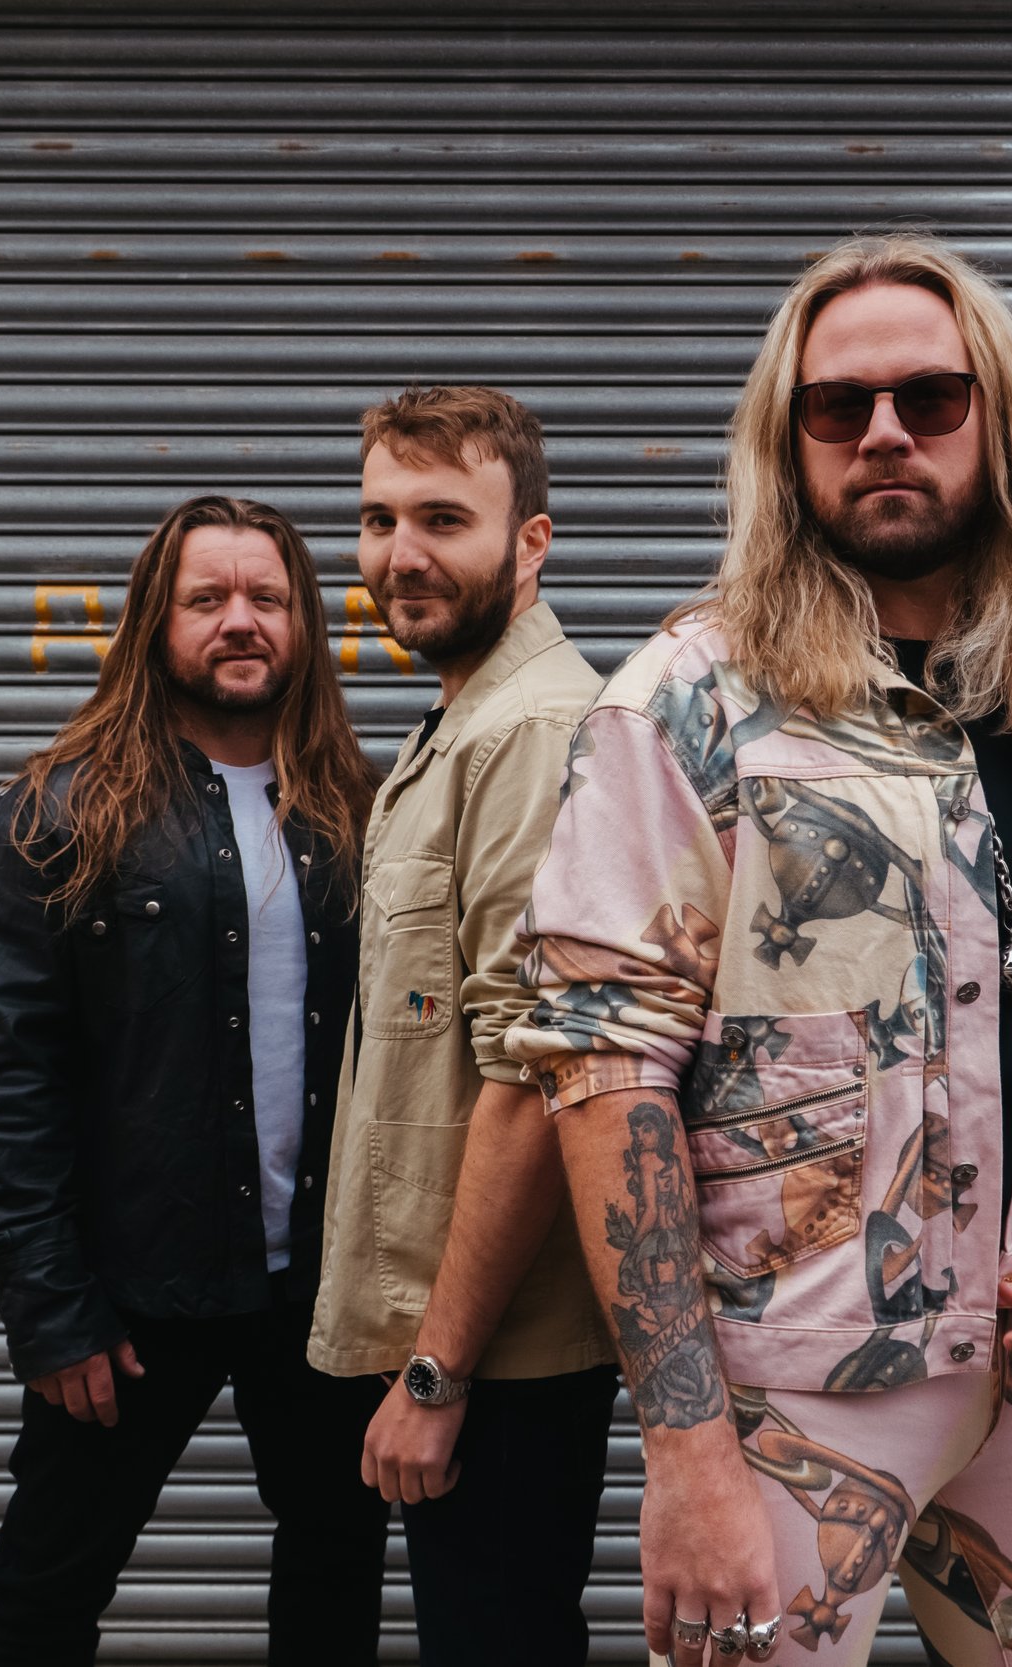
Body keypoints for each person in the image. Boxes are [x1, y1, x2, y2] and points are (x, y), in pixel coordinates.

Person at [507, 234, 1012, 1667]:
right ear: (787, 439)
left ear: (995, 418)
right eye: (835, 405)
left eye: (929, 397)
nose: (882, 433)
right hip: (793, 1399)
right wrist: (686, 1452)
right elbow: (604, 1075)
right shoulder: (687, 701)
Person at [0, 494, 388, 1664]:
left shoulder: (361, 809)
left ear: (303, 623)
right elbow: (2, 1076)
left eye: (267, 597)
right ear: (156, 619)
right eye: (208, 598)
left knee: (336, 1574)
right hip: (132, 1295)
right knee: (45, 1584)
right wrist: (50, 1309)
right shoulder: (59, 811)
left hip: (319, 1298)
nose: (241, 620)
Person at [306, 385, 620, 1666]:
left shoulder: (532, 732)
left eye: (443, 518)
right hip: (465, 1338)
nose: (400, 554)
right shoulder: (466, 719)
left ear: (530, 541)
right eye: (378, 519)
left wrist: (436, 1370)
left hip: (498, 1355)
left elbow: (538, 1073)